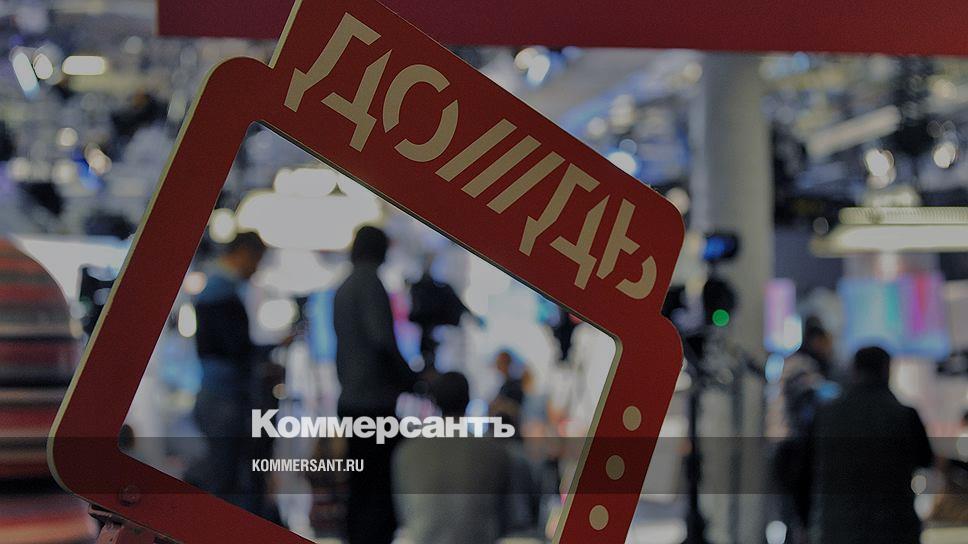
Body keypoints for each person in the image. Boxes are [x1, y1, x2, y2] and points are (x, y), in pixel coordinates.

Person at [333, 226, 418, 544]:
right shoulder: (370, 284)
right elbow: (382, 340)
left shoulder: (344, 287)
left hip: (351, 400)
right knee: (378, 490)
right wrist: (409, 377)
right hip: (373, 403)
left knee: (360, 486)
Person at [807, 346, 934, 544]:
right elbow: (925, 459)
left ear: (854, 371)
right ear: (887, 370)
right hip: (895, 528)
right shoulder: (904, 415)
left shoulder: (826, 416)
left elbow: (806, 469)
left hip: (837, 529)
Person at [191, 232, 274, 513]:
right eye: (257, 260)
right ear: (244, 253)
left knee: (227, 477)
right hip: (224, 397)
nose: (256, 269)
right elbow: (234, 347)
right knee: (226, 482)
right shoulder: (220, 291)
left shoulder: (217, 289)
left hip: (218, 395)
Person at [393, 372, 511, 544]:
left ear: (434, 401)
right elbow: (505, 516)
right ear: (468, 400)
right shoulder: (493, 451)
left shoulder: (407, 452)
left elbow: (404, 514)